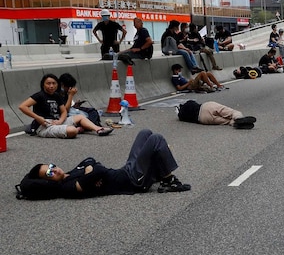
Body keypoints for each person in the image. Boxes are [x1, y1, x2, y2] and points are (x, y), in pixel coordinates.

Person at [16, 129, 191, 200]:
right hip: (133, 182)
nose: (54, 170)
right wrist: (91, 172)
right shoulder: (66, 187)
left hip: (125, 170)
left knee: (145, 133)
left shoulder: (70, 174)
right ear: (49, 181)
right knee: (156, 139)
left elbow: (91, 161)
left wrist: (91, 172)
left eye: (51, 166)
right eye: (49, 174)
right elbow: (96, 169)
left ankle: (159, 171)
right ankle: (169, 180)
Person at [19, 74, 113, 138]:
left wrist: (60, 121)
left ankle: (98, 129)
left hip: (58, 121)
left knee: (80, 117)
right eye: (48, 83)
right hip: (45, 125)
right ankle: (76, 129)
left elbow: (64, 111)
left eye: (54, 83)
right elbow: (22, 106)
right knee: (72, 131)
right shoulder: (39, 95)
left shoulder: (57, 95)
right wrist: (38, 118)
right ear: (43, 85)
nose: (51, 86)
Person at [175, 99, 256, 129]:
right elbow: (193, 102)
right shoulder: (188, 103)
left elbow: (182, 117)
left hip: (202, 119)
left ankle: (235, 123)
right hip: (206, 106)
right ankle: (238, 117)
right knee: (231, 112)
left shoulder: (182, 117)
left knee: (226, 122)